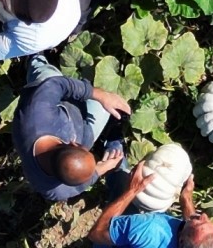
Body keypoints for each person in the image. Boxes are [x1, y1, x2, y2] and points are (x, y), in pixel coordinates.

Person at [16, 62, 130, 204]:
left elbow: (56, 84)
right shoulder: (56, 190)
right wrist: (106, 166)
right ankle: (35, 59)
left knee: (47, 76)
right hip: (77, 122)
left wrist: (101, 95)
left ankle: (35, 59)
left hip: (53, 96)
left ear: (72, 142)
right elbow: (82, 183)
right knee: (108, 109)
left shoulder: (36, 114)